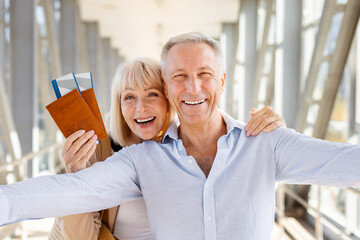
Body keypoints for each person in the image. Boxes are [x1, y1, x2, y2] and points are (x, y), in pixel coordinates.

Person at [1, 32, 359, 239]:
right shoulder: (141, 160)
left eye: (204, 73)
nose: (193, 87)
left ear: (221, 81)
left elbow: (342, 162)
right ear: (171, 90)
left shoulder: (266, 142)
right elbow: (69, 193)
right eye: (178, 77)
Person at [49, 57, 286, 240]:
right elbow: (82, 237)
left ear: (169, 100)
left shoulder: (186, 148)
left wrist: (273, 134)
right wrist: (75, 174)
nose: (141, 108)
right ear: (119, 105)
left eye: (152, 94)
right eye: (129, 97)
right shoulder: (99, 153)